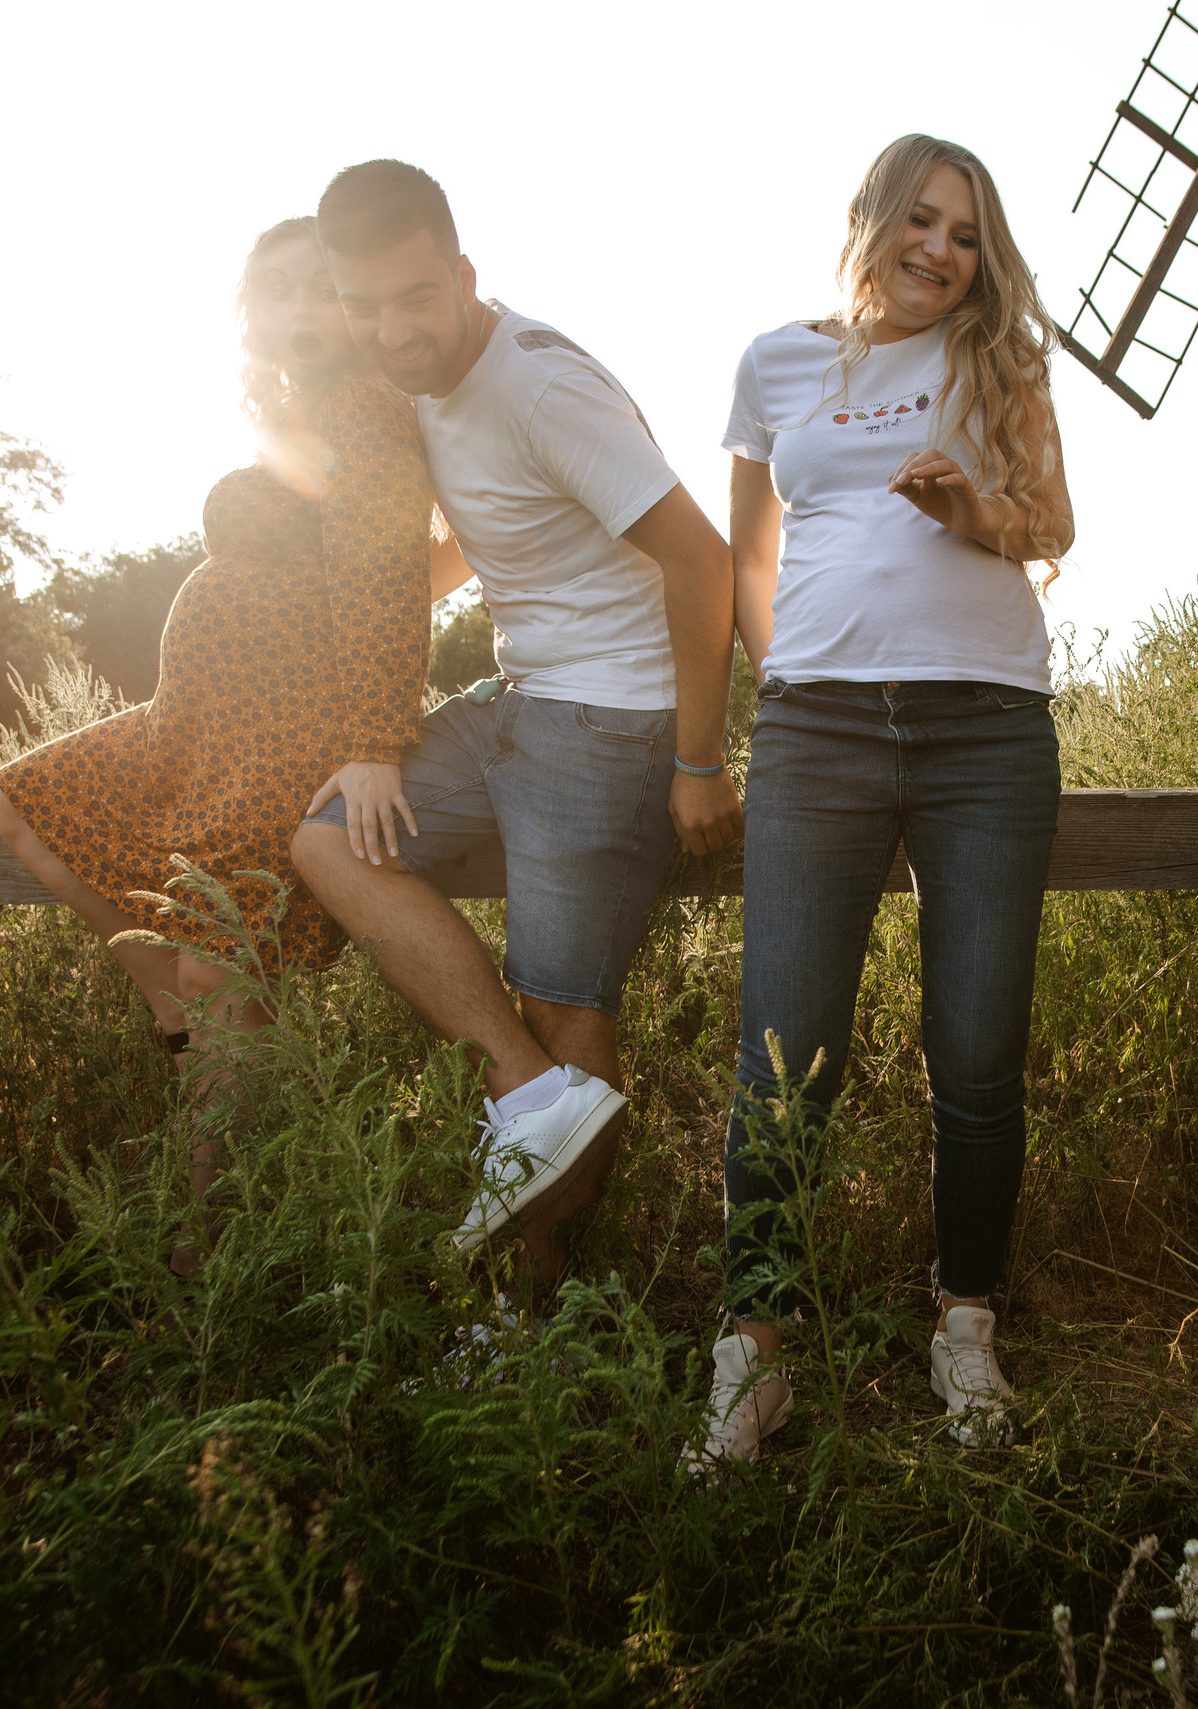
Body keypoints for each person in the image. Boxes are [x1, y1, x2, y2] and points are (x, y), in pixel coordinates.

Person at [689, 135, 1074, 1468]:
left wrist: (972, 512)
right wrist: (785, 682)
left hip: (986, 732)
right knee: (783, 1057)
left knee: (976, 1052)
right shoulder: (774, 363)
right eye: (921, 219)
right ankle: (756, 1356)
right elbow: (747, 557)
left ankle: (965, 1327)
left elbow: (1052, 524)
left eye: (966, 234)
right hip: (819, 733)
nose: (941, 250)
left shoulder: (1001, 358)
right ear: (871, 216)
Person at [292, 161, 742, 1282]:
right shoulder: (413, 383)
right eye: (363, 306)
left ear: (462, 275)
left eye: (415, 297)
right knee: (328, 834)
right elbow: (492, 530)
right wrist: (355, 604)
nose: (392, 331)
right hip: (515, 699)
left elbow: (704, 561)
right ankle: (530, 1091)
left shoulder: (540, 387)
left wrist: (697, 759)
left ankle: (538, 1316)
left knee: (560, 1001)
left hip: (612, 717)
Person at [0, 215, 434, 1267]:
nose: (298, 308)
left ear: (355, 302)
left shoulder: (365, 407)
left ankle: (212, 1255)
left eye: (319, 286)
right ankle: (172, 1018)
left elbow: (388, 573)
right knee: (25, 800)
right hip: (197, 723)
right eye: (275, 288)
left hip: (288, 729)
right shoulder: (299, 408)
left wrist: (374, 738)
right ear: (251, 311)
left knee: (224, 978)